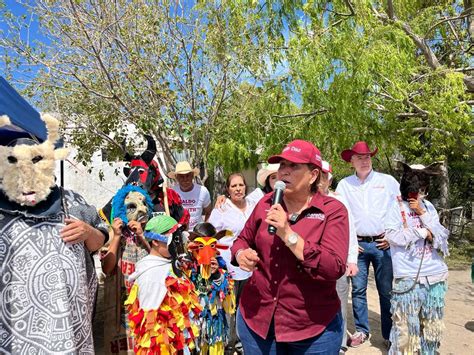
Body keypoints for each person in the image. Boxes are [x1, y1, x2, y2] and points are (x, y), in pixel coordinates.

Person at [0, 114, 108, 353]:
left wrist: (88, 231)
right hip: (13, 334)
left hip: (69, 329)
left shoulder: (72, 200)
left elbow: (100, 240)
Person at [231, 139, 349, 354]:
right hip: (258, 323)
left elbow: (335, 267)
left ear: (313, 175)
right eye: (283, 165)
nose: (285, 172)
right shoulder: (265, 203)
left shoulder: (332, 210)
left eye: (294, 166)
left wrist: (289, 235)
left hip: (312, 330)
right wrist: (241, 254)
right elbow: (241, 240)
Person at [336, 141, 400, 348]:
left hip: (383, 244)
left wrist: (391, 236)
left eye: (367, 157)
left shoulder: (387, 181)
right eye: (359, 158)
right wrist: (350, 244)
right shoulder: (344, 185)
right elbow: (341, 216)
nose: (364, 161)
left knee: (386, 290)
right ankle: (362, 330)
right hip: (358, 246)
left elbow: (400, 208)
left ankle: (389, 334)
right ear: (351, 161)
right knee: (358, 290)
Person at [385, 164, 449, 355]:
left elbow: (441, 238)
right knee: (405, 330)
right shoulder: (396, 207)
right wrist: (421, 232)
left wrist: (422, 213)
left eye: (422, 190)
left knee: (431, 327)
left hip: (434, 275)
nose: (418, 194)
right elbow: (392, 235)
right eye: (415, 189)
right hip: (408, 278)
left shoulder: (428, 207)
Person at [125, 215, 202, 354]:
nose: (178, 243)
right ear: (155, 241)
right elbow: (151, 329)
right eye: (173, 238)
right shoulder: (151, 276)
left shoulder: (171, 264)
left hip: (180, 344)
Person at [100, 185, 154, 353]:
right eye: (132, 206)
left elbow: (161, 259)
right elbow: (107, 268)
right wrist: (116, 237)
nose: (141, 209)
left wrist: (142, 236)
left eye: (144, 204)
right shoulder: (112, 235)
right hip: (119, 307)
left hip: (145, 307)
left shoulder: (152, 235)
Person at [208, 172, 259, 352]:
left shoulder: (255, 205)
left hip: (252, 266)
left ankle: (243, 340)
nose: (238, 189)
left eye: (241, 185)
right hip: (229, 265)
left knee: (248, 306)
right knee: (229, 306)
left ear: (246, 187)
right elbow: (209, 234)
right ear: (228, 190)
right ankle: (229, 344)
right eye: (234, 186)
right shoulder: (221, 209)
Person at [319, 161, 359, 354]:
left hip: (337, 260)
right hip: (315, 262)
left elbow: (351, 230)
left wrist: (352, 259)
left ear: (330, 180)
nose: (320, 181)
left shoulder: (340, 201)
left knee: (340, 299)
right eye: (318, 176)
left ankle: (341, 342)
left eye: (324, 177)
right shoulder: (306, 199)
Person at [188, 222, 236, 354]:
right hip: (194, 319)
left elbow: (227, 293)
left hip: (214, 318)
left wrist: (216, 274)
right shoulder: (187, 265)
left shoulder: (220, 264)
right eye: (200, 246)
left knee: (215, 346)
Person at [168, 160, 212, 230]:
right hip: (179, 233)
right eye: (181, 176)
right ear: (176, 177)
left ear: (192, 176)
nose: (185, 179)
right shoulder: (172, 192)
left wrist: (206, 231)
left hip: (198, 232)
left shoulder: (202, 191)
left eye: (187, 175)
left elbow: (209, 212)